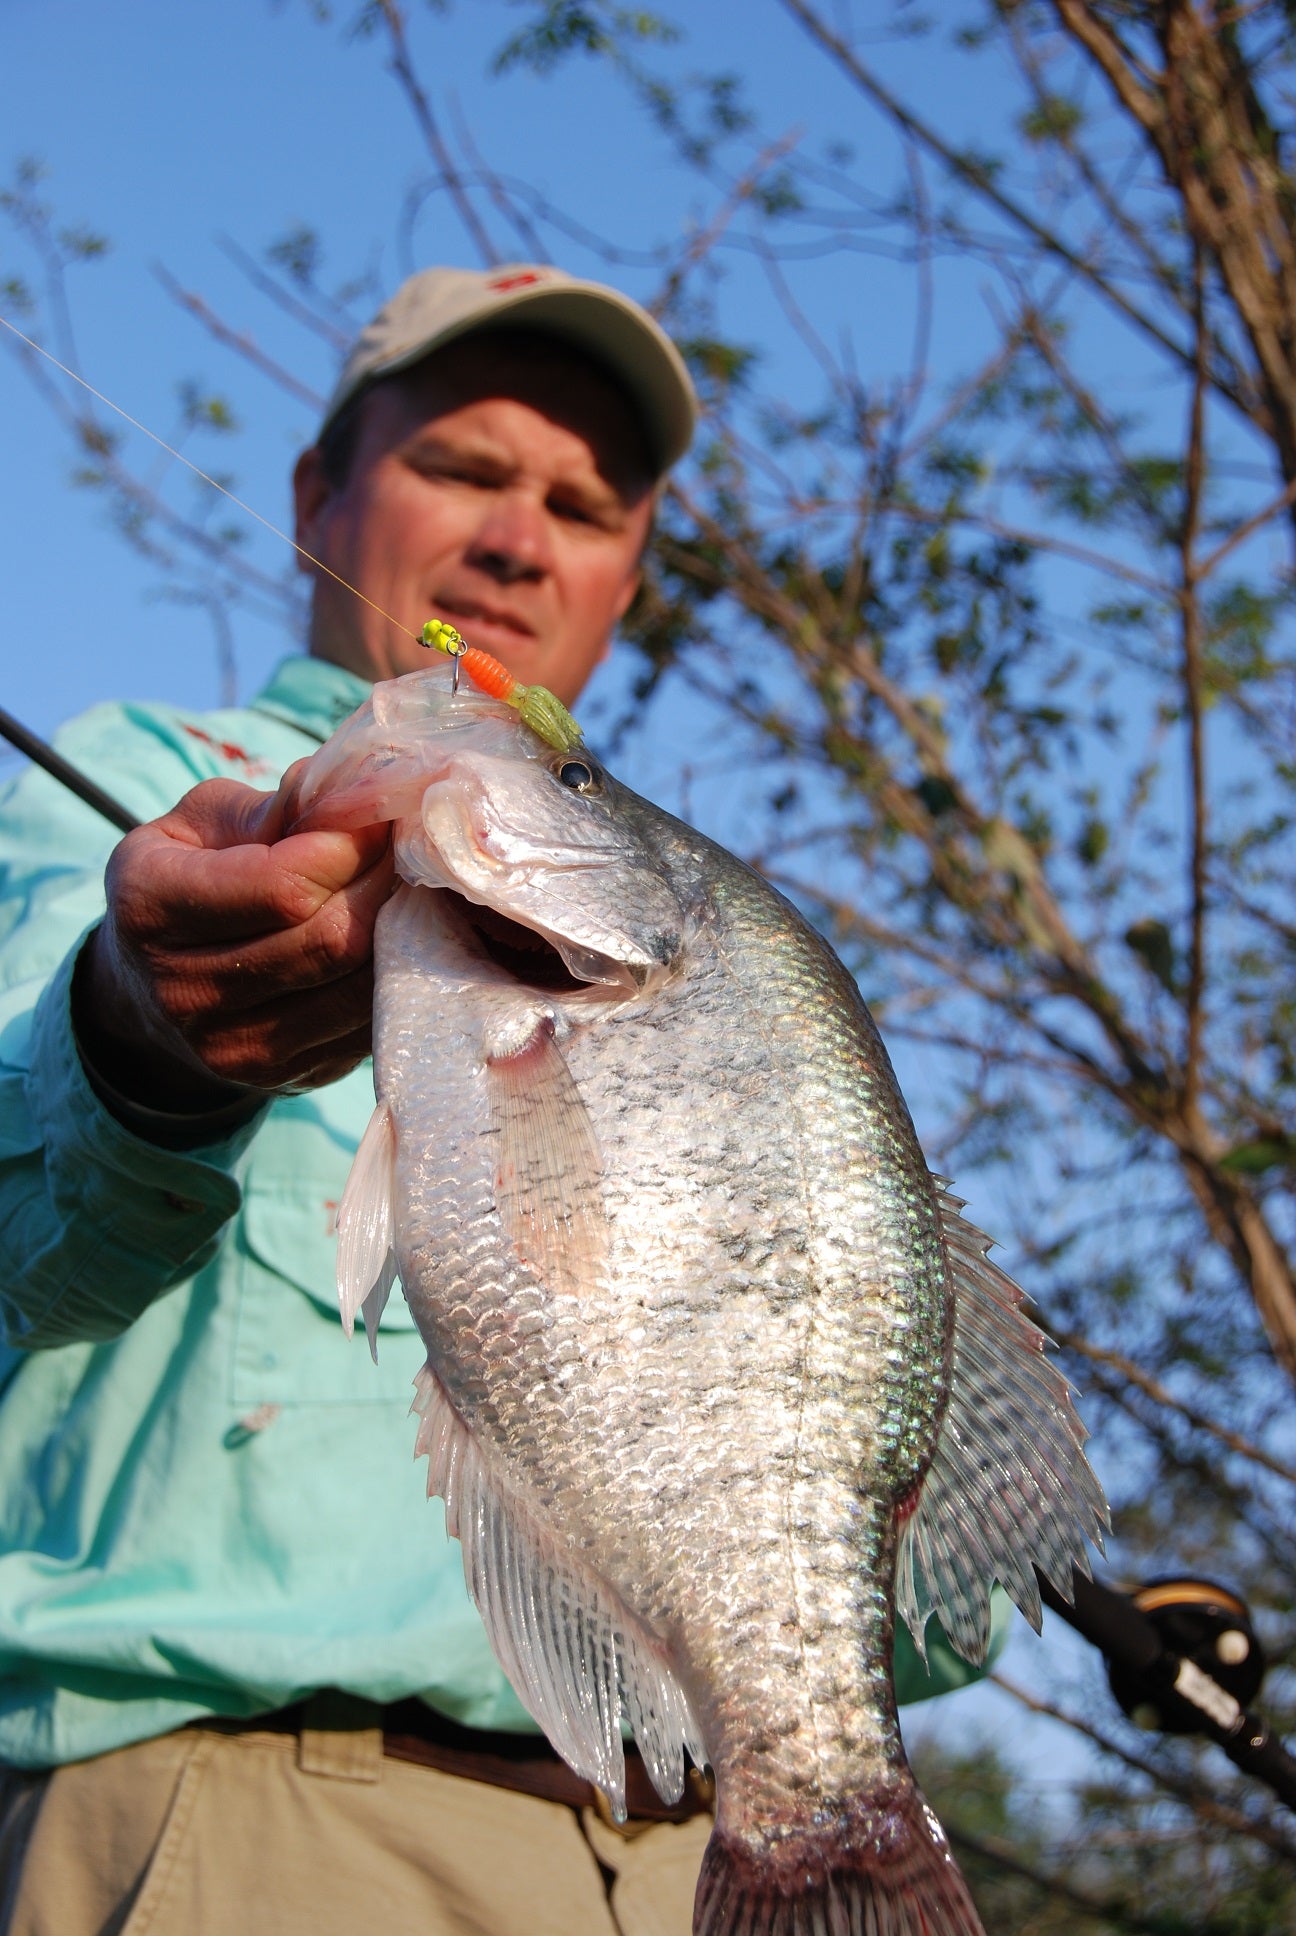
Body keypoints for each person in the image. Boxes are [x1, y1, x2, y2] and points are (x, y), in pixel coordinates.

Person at [0, 264, 1003, 1936]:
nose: (519, 540)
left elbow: (913, 1568)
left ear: (627, 573)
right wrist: (136, 1038)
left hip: (696, 1854)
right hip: (258, 1829)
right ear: (324, 492)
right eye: (464, 468)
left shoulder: (716, 941)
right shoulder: (121, 800)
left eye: (583, 503)